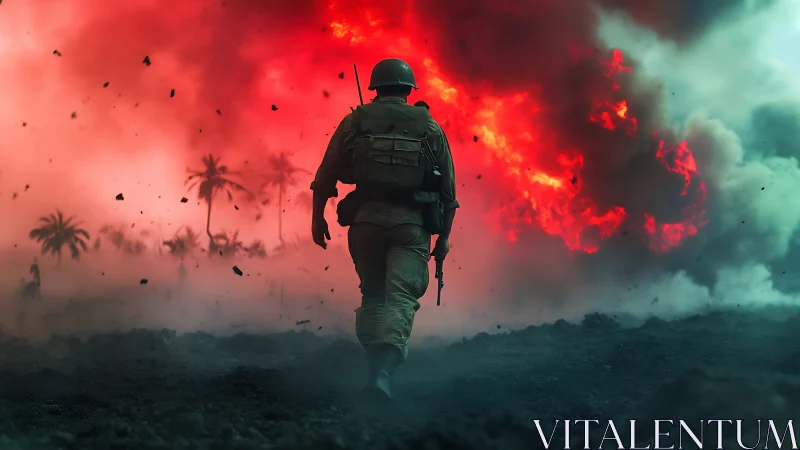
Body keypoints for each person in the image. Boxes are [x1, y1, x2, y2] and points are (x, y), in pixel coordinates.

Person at [310, 58, 459, 401]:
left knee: (373, 295)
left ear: (376, 88)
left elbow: (326, 175)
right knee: (401, 298)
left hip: (365, 222)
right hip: (410, 225)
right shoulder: (429, 127)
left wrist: (317, 218)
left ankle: (374, 368)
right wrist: (445, 237)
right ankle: (384, 372)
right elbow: (449, 193)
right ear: (409, 89)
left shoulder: (355, 120)